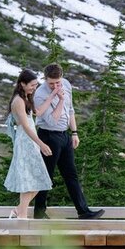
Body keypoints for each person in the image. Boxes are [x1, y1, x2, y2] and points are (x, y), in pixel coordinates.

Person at [32, 63, 104, 220]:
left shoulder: (66, 85)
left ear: (62, 78)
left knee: (71, 174)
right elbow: (52, 121)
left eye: (58, 82)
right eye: (51, 83)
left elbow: (70, 110)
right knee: (46, 176)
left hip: (64, 135)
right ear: (45, 79)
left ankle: (83, 211)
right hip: (48, 136)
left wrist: (74, 133)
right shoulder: (40, 95)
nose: (55, 86)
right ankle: (39, 212)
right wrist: (58, 99)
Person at [3, 69, 53, 219]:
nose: (34, 88)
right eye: (31, 85)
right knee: (29, 180)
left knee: (38, 181)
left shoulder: (26, 97)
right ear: (22, 84)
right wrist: (41, 144)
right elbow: (25, 126)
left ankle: (19, 211)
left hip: (31, 142)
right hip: (25, 141)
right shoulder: (18, 100)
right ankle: (22, 216)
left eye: (36, 85)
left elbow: (37, 112)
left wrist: (53, 96)